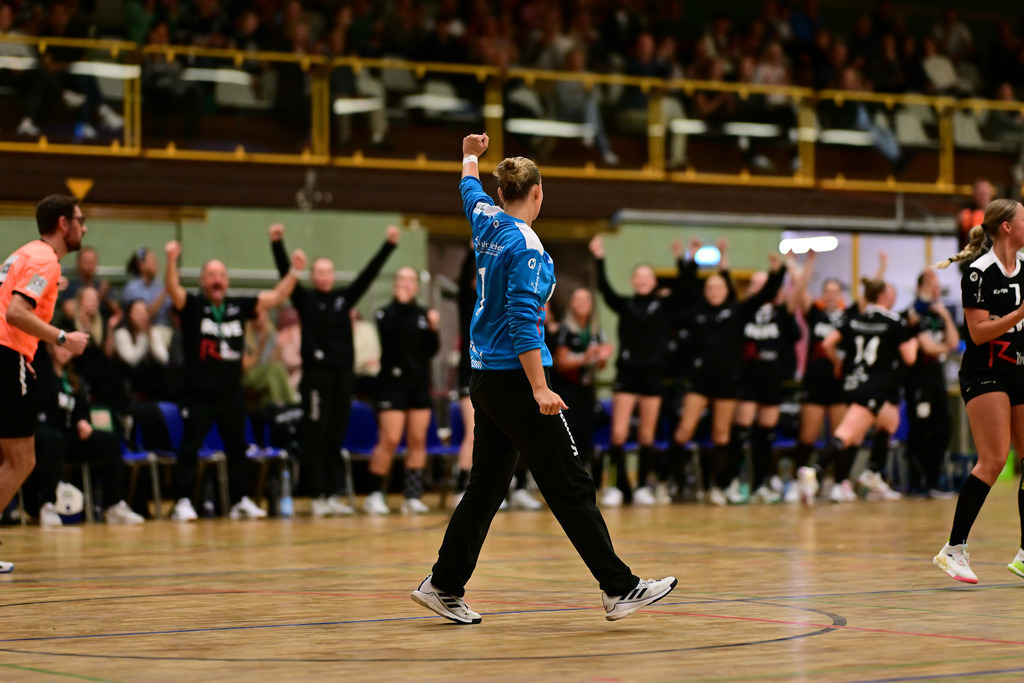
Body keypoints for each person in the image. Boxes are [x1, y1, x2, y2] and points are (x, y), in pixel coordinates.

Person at [411, 134, 676, 625]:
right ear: (537, 193)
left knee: (487, 486)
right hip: (516, 380)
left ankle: (443, 583)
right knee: (570, 483)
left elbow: (468, 189)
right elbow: (522, 319)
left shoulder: (486, 220)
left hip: (485, 377)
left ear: (502, 193)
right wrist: (539, 387)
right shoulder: (527, 245)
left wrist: (470, 153)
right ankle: (620, 588)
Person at [164, 234, 306, 522]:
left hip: (231, 392)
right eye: (211, 275)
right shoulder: (192, 305)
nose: (217, 279)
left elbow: (276, 297)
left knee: (238, 447)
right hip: (198, 393)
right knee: (190, 447)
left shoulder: (238, 306)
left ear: (227, 281)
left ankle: (240, 499)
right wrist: (170, 260)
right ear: (203, 281)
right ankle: (182, 501)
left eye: (221, 275)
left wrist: (294, 272)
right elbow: (173, 289)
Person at [270, 222, 398, 518]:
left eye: (328, 272)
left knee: (335, 435)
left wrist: (389, 245)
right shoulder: (305, 300)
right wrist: (278, 245)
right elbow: (284, 277)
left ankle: (331, 493)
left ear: (332, 275)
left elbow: (368, 274)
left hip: (343, 377)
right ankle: (316, 495)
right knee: (316, 434)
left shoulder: (344, 298)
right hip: (316, 378)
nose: (324, 276)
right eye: (319, 272)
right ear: (313, 276)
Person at [932, 198, 1024, 584]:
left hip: (1020, 368)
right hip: (985, 372)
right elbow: (979, 332)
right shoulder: (978, 272)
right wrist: (1021, 313)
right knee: (993, 459)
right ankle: (953, 549)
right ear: (1007, 226)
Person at [0, 194, 90, 572]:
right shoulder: (45, 261)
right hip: (6, 356)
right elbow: (16, 312)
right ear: (63, 224)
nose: (84, 228)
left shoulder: (23, 254)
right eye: (80, 220)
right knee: (22, 460)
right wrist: (63, 338)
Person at [668, 251, 786, 506]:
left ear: (727, 290)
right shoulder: (695, 312)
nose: (714, 291)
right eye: (710, 287)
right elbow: (672, 314)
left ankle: (717, 487)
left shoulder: (737, 311)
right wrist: (687, 265)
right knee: (685, 430)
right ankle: (671, 482)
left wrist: (777, 272)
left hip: (727, 382)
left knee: (722, 435)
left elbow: (765, 296)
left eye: (719, 287)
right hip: (699, 381)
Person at [588, 235, 697, 507]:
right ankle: (617, 485)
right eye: (637, 275)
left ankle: (641, 487)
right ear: (633, 281)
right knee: (619, 433)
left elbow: (685, 289)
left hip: (653, 375)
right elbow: (605, 289)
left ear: (654, 281)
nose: (642, 279)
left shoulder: (664, 306)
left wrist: (687, 260)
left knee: (647, 435)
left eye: (647, 275)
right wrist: (599, 257)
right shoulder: (626, 305)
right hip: (628, 374)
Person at [798, 278, 918, 505]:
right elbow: (910, 358)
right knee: (845, 435)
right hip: (874, 388)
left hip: (855, 383)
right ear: (883, 296)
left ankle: (872, 474)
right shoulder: (894, 322)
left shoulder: (855, 319)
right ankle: (813, 470)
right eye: (890, 293)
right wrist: (914, 344)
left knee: (889, 422)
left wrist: (838, 364)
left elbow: (826, 344)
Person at [30, 341, 145, 525]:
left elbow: (82, 409)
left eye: (68, 347)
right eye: (60, 346)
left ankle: (114, 505)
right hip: (46, 435)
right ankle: (48, 505)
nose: (64, 351)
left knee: (108, 440)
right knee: (55, 440)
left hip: (69, 437)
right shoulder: (41, 376)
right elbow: (39, 411)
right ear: (50, 348)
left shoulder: (76, 379)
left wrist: (83, 421)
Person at [364, 267, 441, 515]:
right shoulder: (385, 314)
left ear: (416, 286)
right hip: (391, 386)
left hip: (418, 385)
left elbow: (431, 350)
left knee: (418, 440)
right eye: (401, 279)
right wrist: (400, 303)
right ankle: (374, 493)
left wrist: (433, 328)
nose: (405, 284)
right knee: (390, 439)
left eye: (410, 280)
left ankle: (412, 495)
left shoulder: (424, 315)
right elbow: (389, 338)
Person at [731, 259, 804, 504]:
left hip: (772, 379)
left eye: (765, 283)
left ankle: (762, 482)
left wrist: (796, 266)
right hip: (748, 378)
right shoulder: (744, 310)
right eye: (755, 284)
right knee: (741, 431)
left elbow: (799, 291)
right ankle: (737, 480)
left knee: (766, 434)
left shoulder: (781, 311)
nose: (760, 287)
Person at [903, 268, 959, 497]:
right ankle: (918, 482)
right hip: (918, 380)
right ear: (920, 288)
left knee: (943, 428)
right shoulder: (912, 312)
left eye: (937, 286)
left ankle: (934, 480)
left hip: (937, 379)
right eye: (930, 285)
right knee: (920, 430)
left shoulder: (938, 314)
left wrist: (945, 316)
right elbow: (927, 346)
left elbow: (953, 342)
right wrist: (944, 347)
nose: (935, 289)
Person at [553, 287, 613, 494]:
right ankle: (567, 481)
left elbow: (600, 367)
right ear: (571, 304)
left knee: (587, 434)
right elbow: (561, 363)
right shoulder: (565, 330)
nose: (581, 304)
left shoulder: (596, 330)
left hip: (587, 389)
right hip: (567, 389)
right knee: (570, 436)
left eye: (586, 300)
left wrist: (601, 358)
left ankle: (583, 481)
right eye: (577, 300)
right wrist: (586, 357)